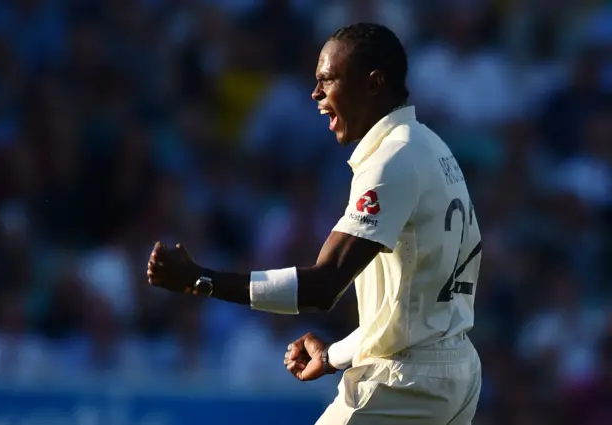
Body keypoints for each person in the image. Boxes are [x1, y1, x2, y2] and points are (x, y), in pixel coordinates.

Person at [147, 22, 483, 424]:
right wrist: (335, 355)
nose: (316, 94)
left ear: (373, 83)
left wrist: (201, 281)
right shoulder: (430, 146)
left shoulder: (392, 160)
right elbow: (407, 316)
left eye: (328, 79)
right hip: (456, 372)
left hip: (408, 383)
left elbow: (322, 287)